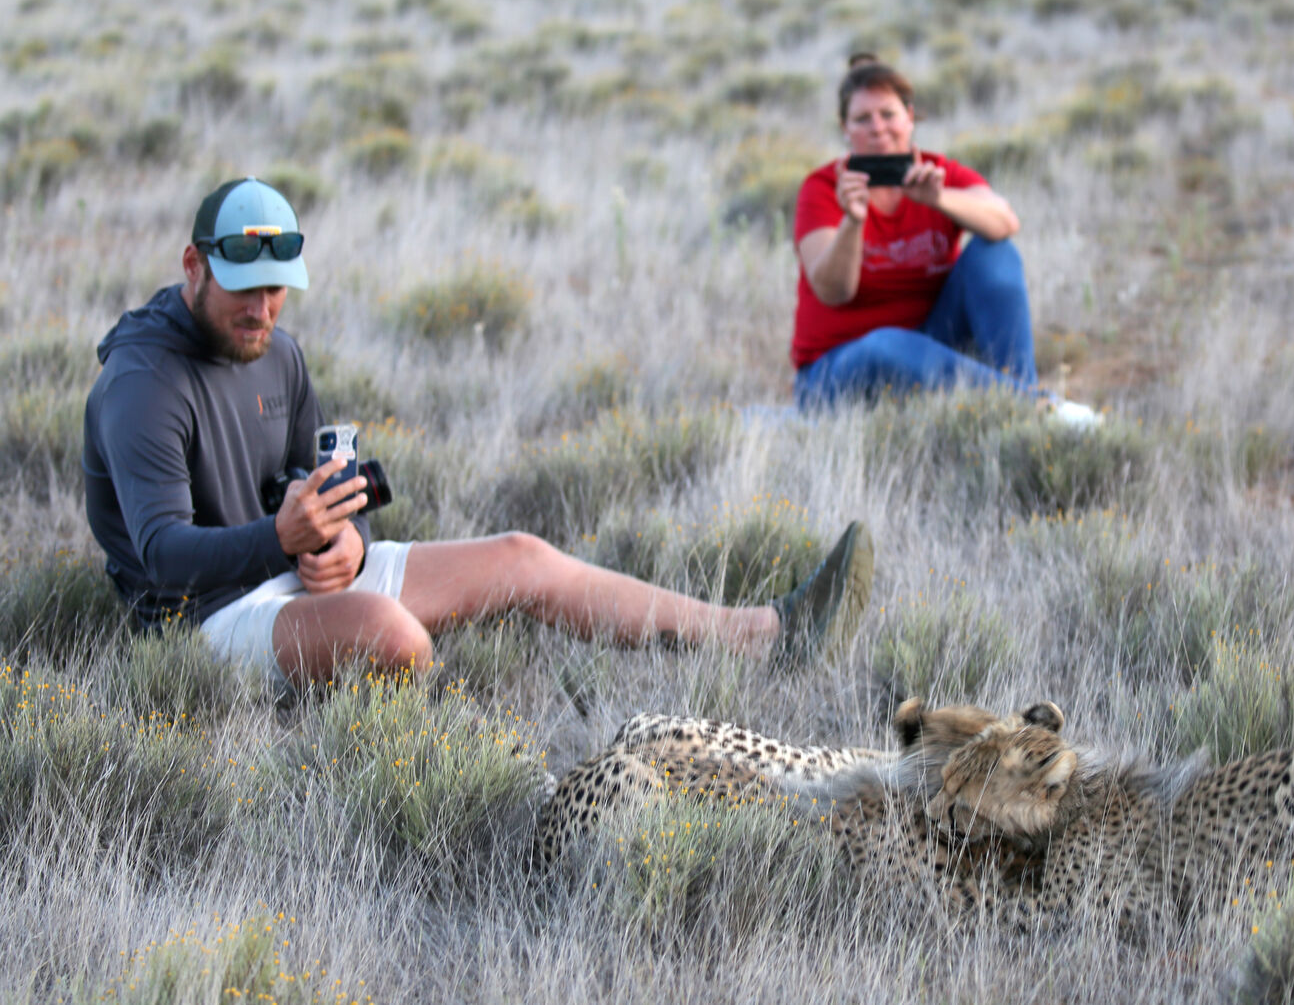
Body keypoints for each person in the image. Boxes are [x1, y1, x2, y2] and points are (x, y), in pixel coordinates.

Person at [84, 177, 874, 690]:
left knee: (523, 557)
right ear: (193, 266)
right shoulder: (141, 381)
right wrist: (279, 540)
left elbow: (320, 488)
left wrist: (348, 541)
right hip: (206, 619)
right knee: (394, 639)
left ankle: (765, 634)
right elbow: (160, 558)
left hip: (292, 575)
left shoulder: (278, 352)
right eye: (241, 292)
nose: (261, 312)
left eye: (276, 293)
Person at [790, 55, 1099, 427]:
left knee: (994, 251)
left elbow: (1004, 222)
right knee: (887, 344)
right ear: (844, 128)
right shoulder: (822, 188)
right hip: (836, 371)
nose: (877, 128)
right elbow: (832, 291)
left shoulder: (939, 174)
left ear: (909, 116)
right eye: (862, 119)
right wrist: (853, 221)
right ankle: (1038, 411)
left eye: (888, 114)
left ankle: (1023, 412)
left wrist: (937, 199)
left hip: (931, 348)